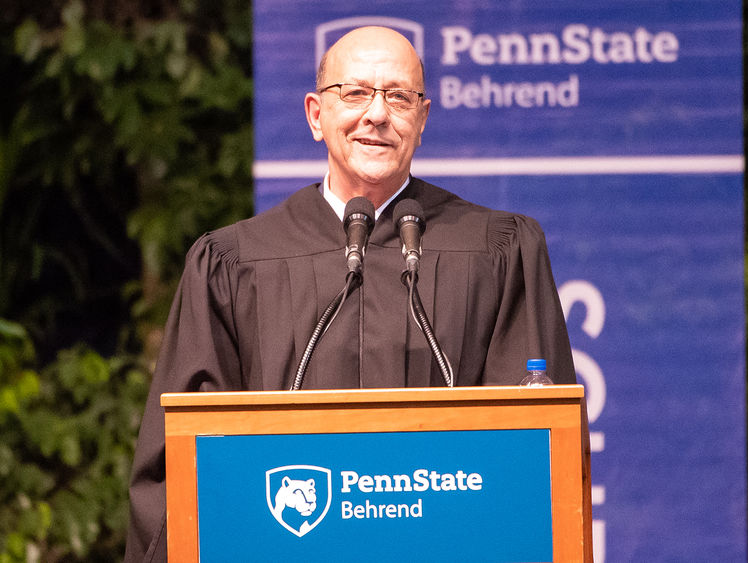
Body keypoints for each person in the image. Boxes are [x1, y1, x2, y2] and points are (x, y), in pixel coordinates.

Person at [124, 26, 576, 562]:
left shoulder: (496, 251)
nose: (377, 114)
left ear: (423, 118)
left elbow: (530, 454)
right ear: (316, 114)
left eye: (398, 96)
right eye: (355, 93)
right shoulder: (235, 262)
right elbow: (182, 465)